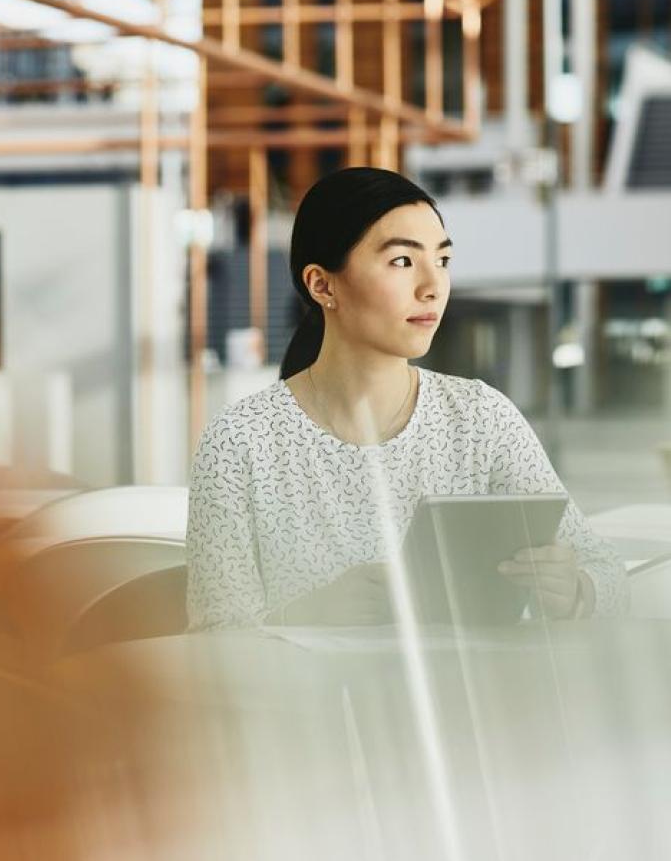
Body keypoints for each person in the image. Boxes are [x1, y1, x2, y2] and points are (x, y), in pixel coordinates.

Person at [185, 167, 627, 630]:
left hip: (474, 699)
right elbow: (211, 639)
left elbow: (607, 573)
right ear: (321, 284)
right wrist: (303, 616)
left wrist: (575, 591)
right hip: (305, 701)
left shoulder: (481, 420)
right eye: (402, 261)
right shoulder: (240, 442)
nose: (432, 286)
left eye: (443, 260)